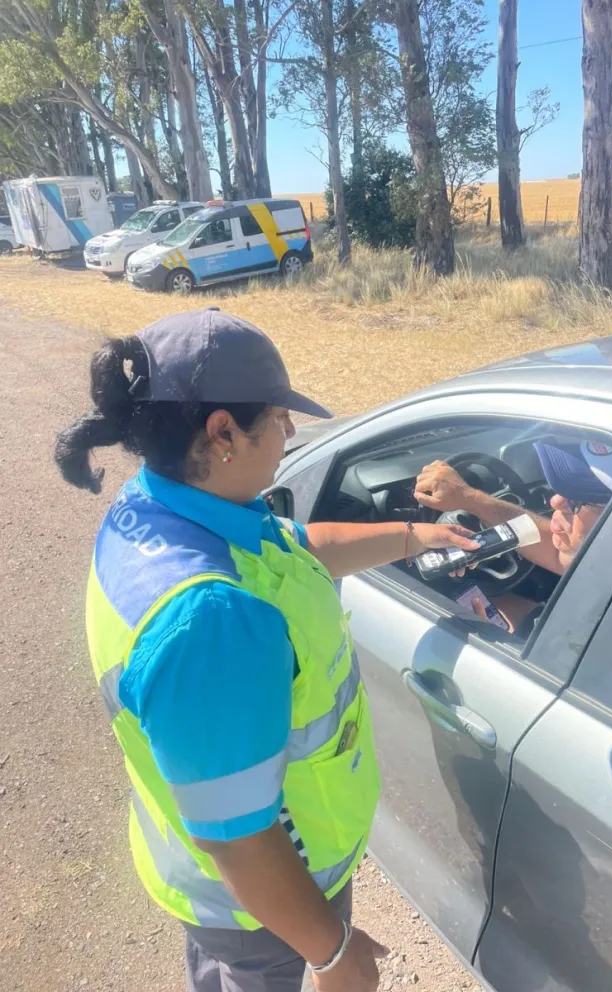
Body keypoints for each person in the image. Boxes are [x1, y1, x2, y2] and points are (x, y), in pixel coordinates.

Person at [53, 309, 480, 992]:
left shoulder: (162, 506)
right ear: (223, 431)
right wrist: (333, 951)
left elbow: (294, 545)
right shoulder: (210, 619)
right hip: (257, 905)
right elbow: (239, 838)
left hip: (214, 881)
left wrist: (413, 537)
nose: (289, 434)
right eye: (281, 419)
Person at [414, 440, 612, 635]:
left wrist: (501, 638)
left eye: (577, 501)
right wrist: (471, 499)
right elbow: (558, 556)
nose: (555, 502)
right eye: (561, 490)